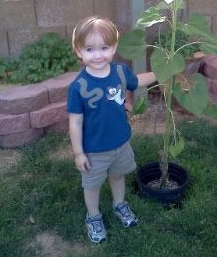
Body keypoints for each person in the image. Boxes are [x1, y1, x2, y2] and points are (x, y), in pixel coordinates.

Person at [67, 16, 156, 244]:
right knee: (93, 184)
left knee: (117, 176)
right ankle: (94, 217)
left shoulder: (119, 72)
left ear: (114, 48)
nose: (98, 55)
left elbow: (136, 80)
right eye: (89, 49)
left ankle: (119, 205)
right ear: (79, 51)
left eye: (104, 48)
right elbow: (75, 122)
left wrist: (160, 73)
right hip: (94, 149)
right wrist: (78, 153)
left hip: (121, 142)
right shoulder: (79, 87)